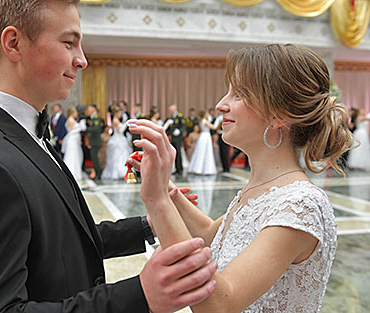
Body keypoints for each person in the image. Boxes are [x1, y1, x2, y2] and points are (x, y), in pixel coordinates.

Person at [0, 1, 216, 313]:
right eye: (69, 43)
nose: (82, 60)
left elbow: (61, 241)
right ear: (14, 44)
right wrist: (139, 295)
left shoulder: (23, 134)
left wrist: (148, 226)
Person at [129, 44, 354, 312]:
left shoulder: (300, 204)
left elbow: (218, 305)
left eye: (239, 94)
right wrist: (164, 186)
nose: (220, 105)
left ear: (279, 114)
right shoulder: (264, 187)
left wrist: (157, 200)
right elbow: (212, 235)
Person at [101, 106, 132, 180]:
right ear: (116, 113)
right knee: (118, 156)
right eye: (120, 113)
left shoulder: (116, 120)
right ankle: (118, 172)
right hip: (118, 139)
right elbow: (120, 131)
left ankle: (122, 172)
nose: (121, 114)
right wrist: (125, 123)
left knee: (121, 156)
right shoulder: (115, 120)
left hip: (120, 139)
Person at [187, 110, 217, 175]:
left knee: (201, 152)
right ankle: (204, 169)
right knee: (206, 152)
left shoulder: (202, 121)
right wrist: (218, 121)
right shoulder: (205, 121)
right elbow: (214, 127)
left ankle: (198, 168)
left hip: (203, 136)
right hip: (206, 136)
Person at [61, 107, 83, 180]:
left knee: (76, 155)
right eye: (76, 112)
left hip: (74, 140)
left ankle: (76, 172)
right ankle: (72, 172)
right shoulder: (70, 120)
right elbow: (72, 131)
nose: (77, 114)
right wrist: (81, 127)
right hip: (72, 141)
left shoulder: (72, 120)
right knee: (72, 156)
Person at [165, 104, 186, 175]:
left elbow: (183, 126)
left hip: (178, 138)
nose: (170, 111)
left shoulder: (180, 116)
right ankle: (177, 169)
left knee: (178, 153)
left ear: (175, 109)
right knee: (174, 153)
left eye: (171, 109)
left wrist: (179, 131)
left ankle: (180, 169)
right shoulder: (170, 117)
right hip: (172, 138)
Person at [86, 104, 103, 180]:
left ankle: (98, 174)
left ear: (93, 109)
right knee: (94, 158)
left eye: (89, 109)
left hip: (95, 141)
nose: (88, 111)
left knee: (95, 158)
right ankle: (97, 174)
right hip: (93, 141)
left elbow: (96, 129)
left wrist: (86, 129)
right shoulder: (92, 117)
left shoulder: (96, 118)